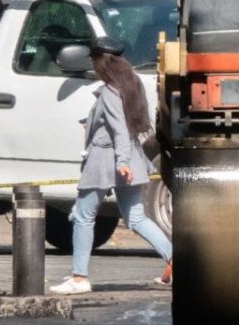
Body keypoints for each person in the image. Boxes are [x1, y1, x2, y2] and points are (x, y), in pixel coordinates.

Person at [50, 37, 172, 295]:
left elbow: (118, 129)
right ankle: (176, 260)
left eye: (94, 61)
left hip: (107, 161)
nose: (93, 66)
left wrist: (122, 162)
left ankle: (80, 278)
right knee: (136, 218)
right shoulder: (131, 85)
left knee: (84, 216)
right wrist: (92, 122)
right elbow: (126, 126)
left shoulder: (109, 92)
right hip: (131, 158)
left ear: (100, 62)